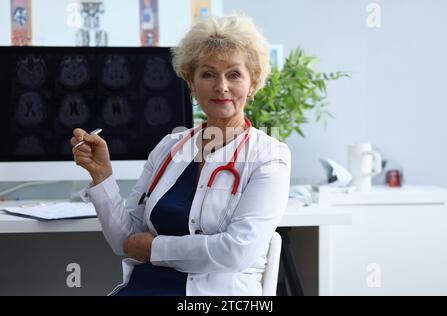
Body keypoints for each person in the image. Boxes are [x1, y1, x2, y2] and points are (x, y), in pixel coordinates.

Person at [71, 14, 291, 296]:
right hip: (146, 287)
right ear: (191, 81)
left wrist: (155, 249)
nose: (221, 86)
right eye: (208, 74)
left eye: (234, 74)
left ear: (252, 84)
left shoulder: (270, 156)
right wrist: (102, 175)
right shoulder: (168, 147)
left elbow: (236, 251)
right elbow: (125, 240)